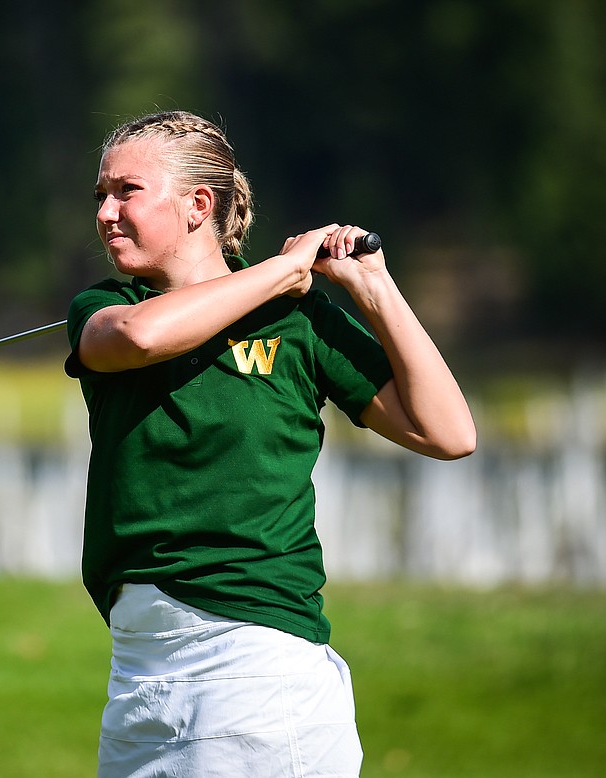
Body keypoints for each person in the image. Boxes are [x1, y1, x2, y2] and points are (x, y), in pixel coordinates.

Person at [64, 110, 476, 778]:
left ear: (198, 204)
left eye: (126, 192)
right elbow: (142, 338)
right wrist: (284, 271)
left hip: (254, 671)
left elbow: (449, 432)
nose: (107, 212)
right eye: (100, 196)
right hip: (140, 676)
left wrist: (376, 292)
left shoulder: (296, 320)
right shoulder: (106, 308)